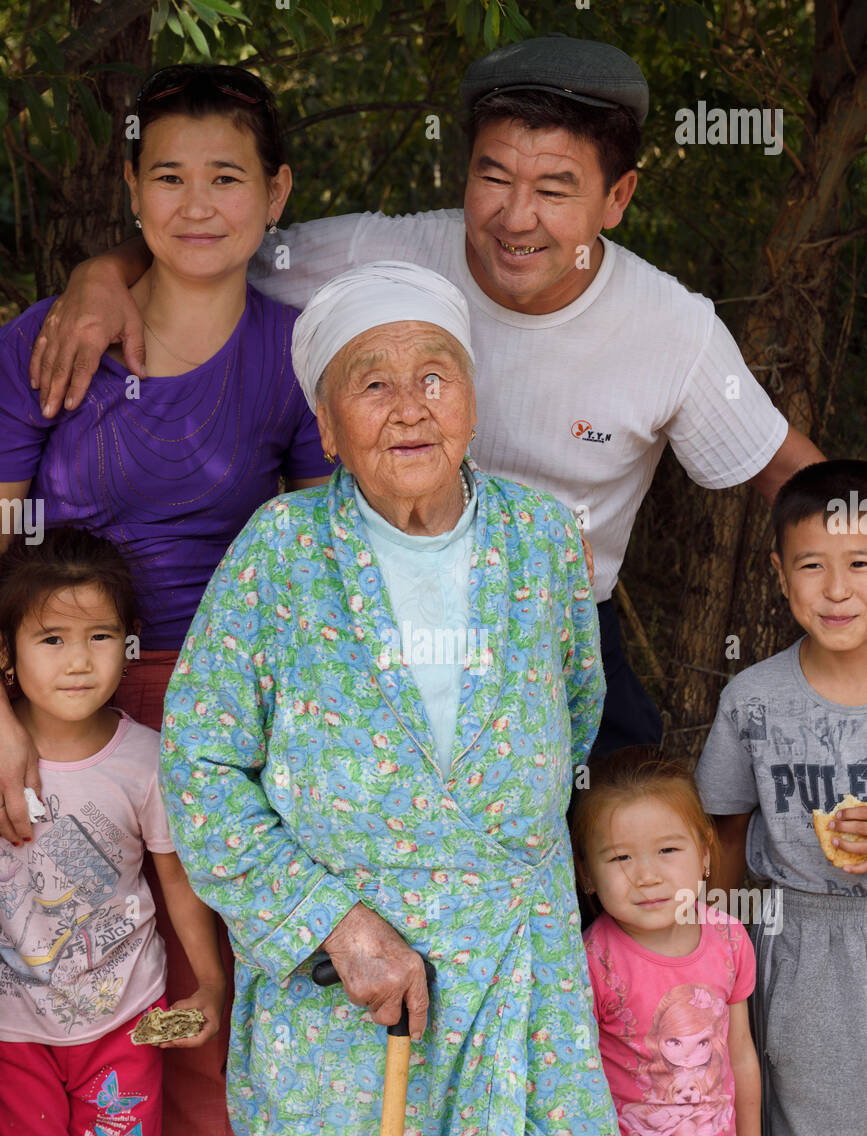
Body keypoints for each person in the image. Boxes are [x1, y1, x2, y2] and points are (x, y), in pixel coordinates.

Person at [28, 37, 823, 756]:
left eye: (555, 188)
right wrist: (103, 272)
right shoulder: (385, 255)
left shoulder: (671, 330)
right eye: (493, 176)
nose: (517, 218)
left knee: (617, 838)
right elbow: (208, 235)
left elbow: (792, 476)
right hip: (386, 617)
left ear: (616, 199)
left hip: (561, 628)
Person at [158, 259, 655, 1136]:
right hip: (349, 988)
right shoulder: (278, 555)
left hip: (518, 970)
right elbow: (200, 770)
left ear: (473, 397)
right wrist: (335, 922)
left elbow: (570, 710)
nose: (411, 405)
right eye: (372, 383)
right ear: (328, 429)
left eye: (436, 374)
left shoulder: (539, 539)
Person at [0, 63, 330, 1136]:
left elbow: (314, 569)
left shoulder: (298, 356)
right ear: (132, 195)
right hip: (52, 698)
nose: (199, 205)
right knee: (52, 984)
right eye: (170, 177)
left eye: (229, 177)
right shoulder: (51, 337)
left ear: (277, 191)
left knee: (198, 999)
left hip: (218, 711)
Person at [0, 527, 225, 1136]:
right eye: (52, 638)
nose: (77, 660)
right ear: (8, 653)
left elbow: (178, 885)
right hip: (11, 1034)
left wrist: (212, 989)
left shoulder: (145, 759)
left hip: (128, 1022)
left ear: (129, 647)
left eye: (100, 637)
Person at [695, 459, 867, 1136]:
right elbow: (723, 830)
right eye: (811, 564)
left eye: (861, 563)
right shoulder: (753, 698)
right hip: (795, 945)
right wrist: (719, 950)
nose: (837, 588)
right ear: (778, 575)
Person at [571, 746, 791, 1136]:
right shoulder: (590, 961)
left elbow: (740, 1056)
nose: (646, 876)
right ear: (587, 874)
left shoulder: (728, 941)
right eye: (619, 858)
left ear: (705, 855)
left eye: (667, 849)